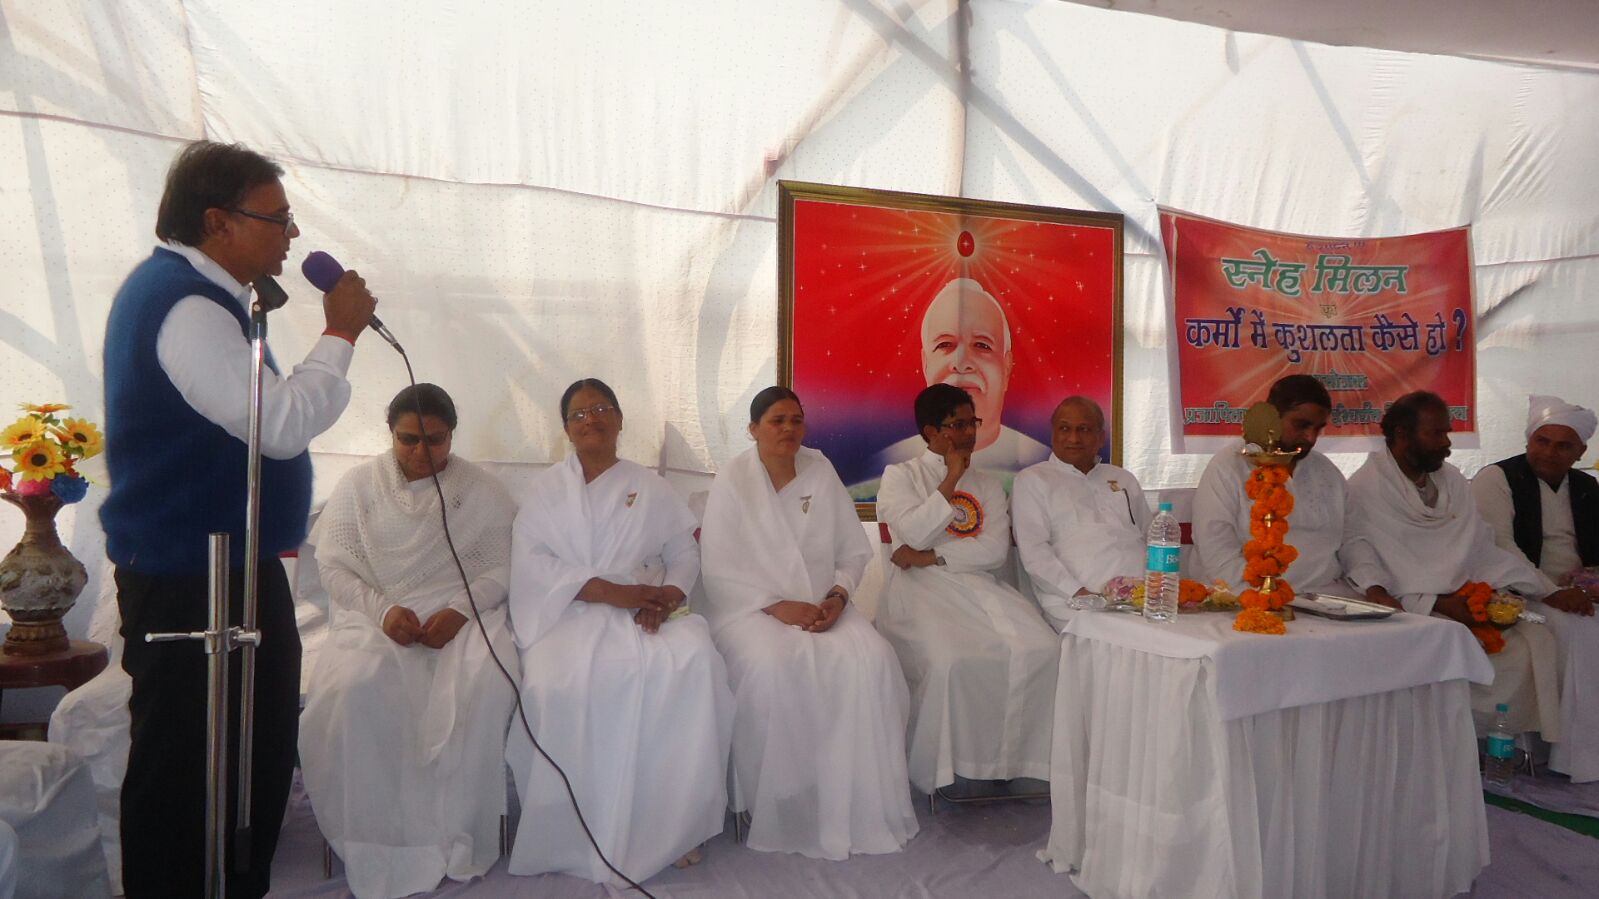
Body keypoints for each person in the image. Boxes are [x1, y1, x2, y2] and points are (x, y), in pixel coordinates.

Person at [100, 140, 374, 898]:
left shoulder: (206, 295)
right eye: (277, 219)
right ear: (217, 221)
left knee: (245, 760)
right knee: (187, 772)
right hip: (196, 576)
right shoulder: (184, 306)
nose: (291, 236)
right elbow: (276, 424)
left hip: (230, 567)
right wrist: (341, 334)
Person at [505, 379, 733, 884]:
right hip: (568, 613)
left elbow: (683, 552)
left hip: (645, 608)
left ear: (621, 420)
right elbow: (532, 567)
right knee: (555, 684)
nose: (593, 419)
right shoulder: (544, 492)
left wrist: (667, 596)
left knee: (693, 662)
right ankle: (576, 829)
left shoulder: (650, 486)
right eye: (581, 413)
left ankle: (674, 826)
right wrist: (612, 593)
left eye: (603, 408)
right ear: (566, 428)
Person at [298, 384, 518, 898]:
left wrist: (461, 611)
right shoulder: (359, 486)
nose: (422, 453)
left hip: (461, 617)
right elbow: (334, 567)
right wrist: (382, 611)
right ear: (391, 434)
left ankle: (455, 829)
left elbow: (506, 568)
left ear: (452, 435)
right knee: (354, 688)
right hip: (376, 617)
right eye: (409, 440)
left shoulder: (482, 491)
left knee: (483, 683)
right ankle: (374, 838)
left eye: (435, 440)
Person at [699, 386, 918, 859]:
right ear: (753, 429)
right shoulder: (734, 480)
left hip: (825, 605)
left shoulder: (821, 470)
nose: (788, 429)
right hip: (750, 611)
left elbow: (853, 551)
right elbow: (718, 567)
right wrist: (777, 605)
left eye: (796, 419)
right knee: (774, 667)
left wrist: (838, 596)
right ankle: (781, 797)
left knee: (872, 660)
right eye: (776, 420)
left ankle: (850, 792)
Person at [1344, 391, 1577, 739]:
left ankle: (1502, 743)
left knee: (1536, 639)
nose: (1447, 443)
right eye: (1436, 434)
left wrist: (1546, 591)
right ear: (1402, 435)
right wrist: (1437, 604)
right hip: (1410, 606)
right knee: (1452, 641)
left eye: (1447, 432)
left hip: (1465, 597)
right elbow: (1364, 562)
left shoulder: (1451, 480)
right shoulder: (1365, 489)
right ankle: (1449, 745)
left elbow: (1483, 549)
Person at [874, 383, 1059, 795]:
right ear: (930, 432)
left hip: (979, 586)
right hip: (920, 591)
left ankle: (1017, 765)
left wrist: (934, 556)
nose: (968, 434)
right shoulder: (900, 477)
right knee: (951, 660)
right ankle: (954, 774)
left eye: (971, 422)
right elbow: (915, 533)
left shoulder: (989, 484)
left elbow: (992, 551)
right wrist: (953, 478)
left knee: (1043, 649)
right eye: (956, 425)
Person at [1472, 394, 1599, 781]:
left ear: (1580, 451)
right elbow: (1500, 548)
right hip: (1518, 593)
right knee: (1579, 633)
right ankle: (1577, 757)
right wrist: (1551, 592)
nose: (1550, 452)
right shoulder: (1497, 478)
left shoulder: (1586, 486)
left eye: (1563, 446)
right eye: (1542, 441)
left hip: (1577, 593)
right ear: (1528, 441)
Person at [872, 278, 1051, 478]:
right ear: (925, 364)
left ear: (1006, 366)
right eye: (945, 344)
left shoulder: (1041, 460)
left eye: (982, 345)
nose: (962, 362)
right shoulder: (888, 463)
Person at [1193, 374, 1353, 596]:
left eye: (1318, 428)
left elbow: (1351, 540)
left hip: (1326, 595)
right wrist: (1265, 597)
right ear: (1272, 417)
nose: (1310, 438)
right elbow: (1215, 549)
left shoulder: (1327, 472)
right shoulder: (1229, 466)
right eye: (1302, 425)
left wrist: (1372, 586)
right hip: (1247, 596)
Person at [1013, 395, 1150, 631]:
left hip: (1143, 600)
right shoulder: (1033, 480)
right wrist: (1081, 594)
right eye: (1065, 428)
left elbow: (1150, 536)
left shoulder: (1122, 478)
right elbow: (1035, 554)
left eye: (1084, 429)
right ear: (1053, 433)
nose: (1074, 438)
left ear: (1100, 437)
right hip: (1078, 604)